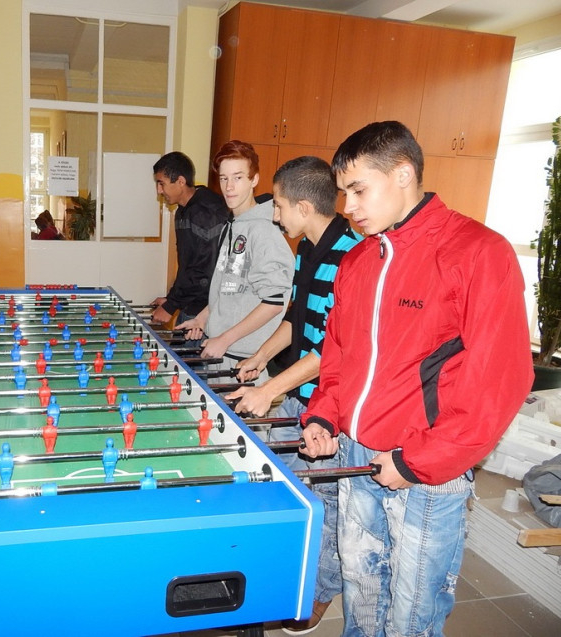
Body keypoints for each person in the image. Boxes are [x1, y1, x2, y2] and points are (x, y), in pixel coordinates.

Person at [298, 121, 534, 636]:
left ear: (402, 173)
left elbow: (499, 381)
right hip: (358, 457)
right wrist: (324, 415)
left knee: (412, 613)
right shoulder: (358, 260)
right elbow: (339, 356)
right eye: (344, 193)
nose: (349, 206)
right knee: (361, 595)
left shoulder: (477, 252)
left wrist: (418, 462)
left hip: (428, 467)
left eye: (358, 189)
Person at [225, 156, 361, 632]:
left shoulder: (350, 256)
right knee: (286, 489)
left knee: (327, 506)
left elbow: (331, 350)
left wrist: (270, 389)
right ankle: (286, 573)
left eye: (279, 205)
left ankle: (319, 593)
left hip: (332, 405)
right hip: (298, 392)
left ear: (304, 206)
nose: (275, 214)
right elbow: (295, 319)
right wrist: (260, 358)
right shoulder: (305, 247)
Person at [179, 140, 294, 382]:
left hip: (244, 362)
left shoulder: (263, 231)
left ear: (254, 180)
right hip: (221, 353)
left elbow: (274, 302)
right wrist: (203, 318)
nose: (229, 187)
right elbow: (230, 289)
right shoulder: (231, 226)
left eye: (238, 178)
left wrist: (225, 339)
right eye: (224, 178)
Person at [148, 151, 227, 327]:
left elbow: (204, 269)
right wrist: (171, 298)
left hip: (206, 309)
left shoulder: (206, 212)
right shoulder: (183, 210)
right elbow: (187, 266)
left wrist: (171, 306)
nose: (159, 190)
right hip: (191, 303)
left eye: (161, 183)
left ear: (181, 181)